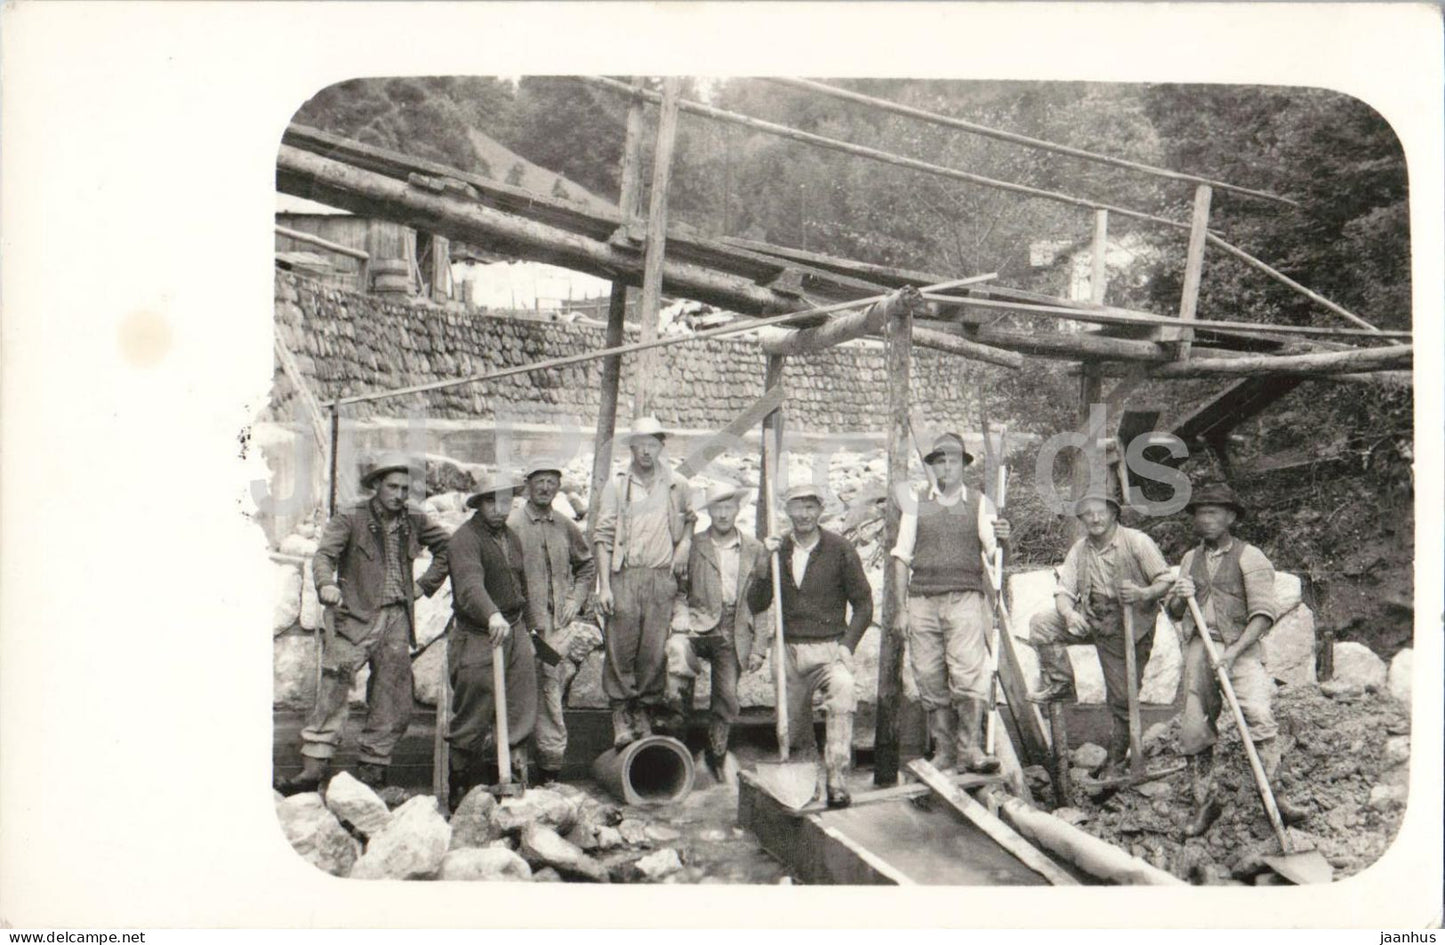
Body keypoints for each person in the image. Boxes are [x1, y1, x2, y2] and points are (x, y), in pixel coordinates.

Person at [275, 453, 450, 795]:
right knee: (333, 687)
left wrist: (424, 585)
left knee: (393, 695)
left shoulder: (414, 518)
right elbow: (324, 555)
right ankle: (313, 769)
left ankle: (373, 768)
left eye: (405, 488)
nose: (400, 494)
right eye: (392, 487)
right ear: (376, 486)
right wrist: (327, 585)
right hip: (354, 617)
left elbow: (447, 548)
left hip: (396, 619)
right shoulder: (351, 517)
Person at [1164, 481, 1308, 835]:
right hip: (1200, 648)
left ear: (1230, 517)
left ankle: (1274, 796)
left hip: (1240, 650)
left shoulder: (1250, 557)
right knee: (1194, 727)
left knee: (1259, 715)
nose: (1206, 519)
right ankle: (1204, 802)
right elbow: (1174, 611)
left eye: (1213, 513)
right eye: (1200, 513)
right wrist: (1180, 594)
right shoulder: (1189, 559)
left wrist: (1233, 653)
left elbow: (1263, 615)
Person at [1026, 489, 1173, 779]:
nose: (1095, 519)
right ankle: (1061, 683)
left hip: (1130, 623)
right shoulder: (1080, 549)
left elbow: (1166, 579)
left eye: (1100, 512)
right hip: (1094, 616)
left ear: (1114, 514)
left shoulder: (1137, 542)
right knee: (1043, 624)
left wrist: (1143, 593)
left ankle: (1117, 759)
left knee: (1122, 696)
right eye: (1088, 514)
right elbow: (1064, 591)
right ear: (1081, 519)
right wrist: (1070, 614)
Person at [890, 432, 1010, 774]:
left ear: (963, 466)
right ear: (932, 466)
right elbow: (901, 557)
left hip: (964, 600)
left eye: (953, 460)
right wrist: (901, 610)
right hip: (922, 601)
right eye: (940, 461)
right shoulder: (916, 504)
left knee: (967, 674)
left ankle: (969, 749)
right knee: (929, 675)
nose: (946, 467)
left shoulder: (980, 503)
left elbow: (996, 554)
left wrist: (1005, 538)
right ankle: (943, 750)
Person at [749, 482, 874, 808]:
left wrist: (847, 645)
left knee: (844, 690)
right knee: (792, 722)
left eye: (810, 507)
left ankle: (836, 777)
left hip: (829, 648)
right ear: (786, 511)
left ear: (820, 510)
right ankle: (806, 781)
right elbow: (757, 603)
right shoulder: (778, 551)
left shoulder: (840, 549)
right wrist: (763, 562)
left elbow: (864, 604)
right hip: (788, 649)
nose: (803, 514)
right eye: (797, 507)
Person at [593, 417, 696, 748]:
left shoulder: (677, 484)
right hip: (626, 574)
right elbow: (602, 536)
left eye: (653, 444)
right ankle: (621, 714)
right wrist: (605, 586)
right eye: (641, 445)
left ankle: (644, 712)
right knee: (620, 647)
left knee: (653, 651)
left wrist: (684, 545)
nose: (646, 451)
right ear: (632, 448)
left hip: (661, 576)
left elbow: (691, 519)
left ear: (661, 447)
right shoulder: (617, 484)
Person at [444, 474, 538, 807]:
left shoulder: (511, 537)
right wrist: (491, 614)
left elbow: (520, 586)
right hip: (478, 634)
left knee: (520, 705)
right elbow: (470, 586)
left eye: (505, 501)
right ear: (479, 504)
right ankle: (459, 788)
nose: (500, 509)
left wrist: (530, 628)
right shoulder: (464, 540)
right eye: (491, 502)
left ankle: (510, 778)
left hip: (514, 628)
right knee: (473, 709)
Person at [665, 483, 770, 778]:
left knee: (726, 695)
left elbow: (761, 603)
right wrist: (681, 617)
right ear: (709, 511)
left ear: (738, 509)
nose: (723, 514)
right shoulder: (694, 545)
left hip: (733, 627)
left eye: (728, 507)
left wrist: (759, 647)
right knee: (678, 665)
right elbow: (679, 590)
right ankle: (676, 748)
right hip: (696, 622)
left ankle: (717, 755)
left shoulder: (754, 549)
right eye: (717, 508)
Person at [507, 459, 597, 785]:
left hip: (555, 628)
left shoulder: (564, 525)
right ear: (528, 485)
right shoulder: (512, 524)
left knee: (550, 693)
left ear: (559, 487)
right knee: (517, 695)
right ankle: (513, 769)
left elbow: (586, 566)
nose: (545, 488)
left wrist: (575, 600)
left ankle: (549, 769)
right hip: (520, 627)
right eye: (539, 481)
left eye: (551, 482)